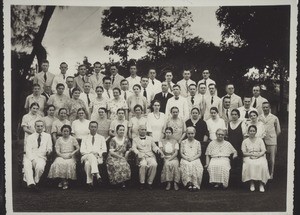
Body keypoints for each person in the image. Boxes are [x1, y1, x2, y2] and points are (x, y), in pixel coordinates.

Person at [132, 125, 164, 190]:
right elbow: (134, 148)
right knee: (143, 165)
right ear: (138, 131)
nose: (143, 131)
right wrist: (138, 153)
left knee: (154, 164)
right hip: (141, 156)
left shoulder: (150, 138)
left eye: (145, 129)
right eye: (142, 129)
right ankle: (142, 183)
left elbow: (154, 147)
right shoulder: (135, 139)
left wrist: (160, 151)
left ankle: (149, 182)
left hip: (150, 155)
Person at [23, 120, 52, 191]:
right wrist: (32, 159)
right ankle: (31, 184)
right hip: (30, 156)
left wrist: (49, 151)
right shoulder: (30, 137)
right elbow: (28, 149)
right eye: (38, 126)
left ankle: (36, 181)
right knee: (27, 165)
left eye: (41, 126)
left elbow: (49, 146)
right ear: (35, 127)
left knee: (40, 167)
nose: (40, 128)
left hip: (41, 156)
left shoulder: (47, 136)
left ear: (43, 127)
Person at [48, 125, 79, 189]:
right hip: (61, 155)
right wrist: (62, 156)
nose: (65, 133)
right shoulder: (59, 139)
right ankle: (63, 181)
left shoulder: (73, 139)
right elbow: (57, 150)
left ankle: (64, 182)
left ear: (69, 132)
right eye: (64, 131)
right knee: (58, 163)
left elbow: (78, 148)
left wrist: (72, 154)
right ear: (61, 132)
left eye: (67, 131)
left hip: (71, 155)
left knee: (68, 164)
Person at [241, 125, 270, 192]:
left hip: (259, 155)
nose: (252, 132)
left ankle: (261, 184)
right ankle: (252, 183)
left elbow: (263, 150)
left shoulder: (260, 140)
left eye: (253, 131)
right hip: (248, 156)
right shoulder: (245, 141)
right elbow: (243, 152)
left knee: (262, 164)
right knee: (250, 164)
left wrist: (258, 155)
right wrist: (250, 154)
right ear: (248, 132)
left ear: (256, 132)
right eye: (250, 131)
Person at [80, 121, 107, 191]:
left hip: (98, 157)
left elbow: (104, 149)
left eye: (95, 127)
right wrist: (91, 153)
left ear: (97, 128)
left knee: (87, 164)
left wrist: (97, 153)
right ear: (89, 127)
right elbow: (82, 150)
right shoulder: (84, 138)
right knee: (90, 156)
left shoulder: (101, 138)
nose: (93, 128)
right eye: (91, 127)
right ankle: (97, 174)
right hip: (86, 156)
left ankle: (89, 183)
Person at [259, 102, 281, 179]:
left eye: (266, 107)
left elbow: (278, 130)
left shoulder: (274, 118)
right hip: (262, 140)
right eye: (264, 107)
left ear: (269, 108)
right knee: (262, 157)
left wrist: (273, 137)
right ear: (262, 108)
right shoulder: (259, 117)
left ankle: (271, 174)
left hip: (271, 140)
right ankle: (263, 173)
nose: (265, 109)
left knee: (271, 159)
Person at [180, 127, 204, 191]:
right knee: (187, 164)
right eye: (189, 133)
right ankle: (189, 183)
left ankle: (195, 184)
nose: (190, 135)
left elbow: (199, 153)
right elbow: (181, 153)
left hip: (195, 158)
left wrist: (193, 158)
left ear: (195, 134)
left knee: (196, 165)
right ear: (186, 134)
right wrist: (187, 158)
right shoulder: (183, 142)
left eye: (192, 133)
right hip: (185, 158)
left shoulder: (197, 142)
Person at [227, 109, 244, 176]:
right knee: (230, 163)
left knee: (239, 164)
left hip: (239, 146)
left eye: (235, 114)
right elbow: (227, 136)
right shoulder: (228, 124)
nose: (234, 116)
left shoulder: (242, 123)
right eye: (232, 114)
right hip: (230, 146)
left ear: (238, 115)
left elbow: (243, 136)